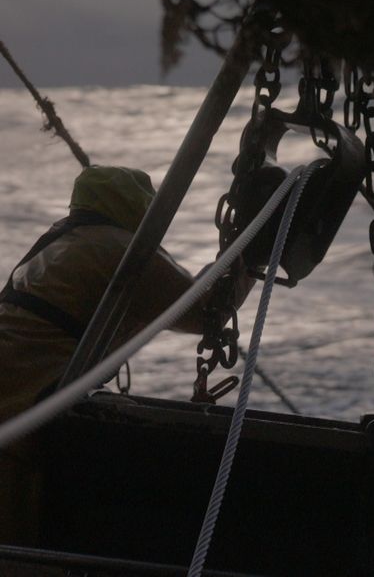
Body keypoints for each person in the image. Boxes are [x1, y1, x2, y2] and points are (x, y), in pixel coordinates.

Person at [0, 165, 255, 545]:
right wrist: (253, 251)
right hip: (26, 409)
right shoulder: (122, 250)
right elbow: (207, 310)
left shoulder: (59, 241)